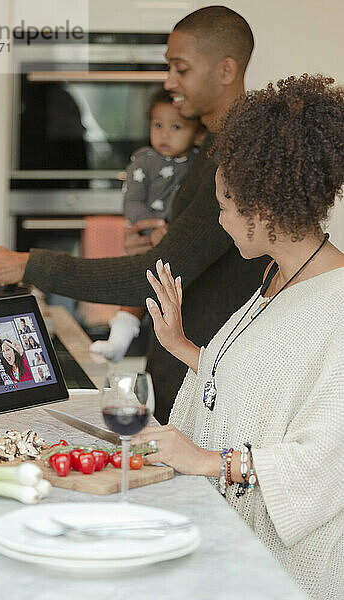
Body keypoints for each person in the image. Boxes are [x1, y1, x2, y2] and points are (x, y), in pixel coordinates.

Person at [0, 6, 269, 424]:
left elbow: (151, 272)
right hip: (185, 377)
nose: (169, 83)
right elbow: (184, 254)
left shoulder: (237, 156)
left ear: (226, 70)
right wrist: (165, 236)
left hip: (209, 391)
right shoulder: (213, 147)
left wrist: (26, 264)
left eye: (181, 69)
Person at [133, 75, 344, 600]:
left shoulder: (338, 305)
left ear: (266, 212)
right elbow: (271, 387)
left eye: (226, 206)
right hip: (235, 547)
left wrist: (207, 460)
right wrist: (184, 347)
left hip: (293, 576)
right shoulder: (277, 276)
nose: (221, 220)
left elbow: (328, 454)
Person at [90, 87, 203, 362]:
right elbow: (132, 204)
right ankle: (118, 340)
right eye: (158, 125)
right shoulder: (144, 161)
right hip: (148, 237)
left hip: (177, 240)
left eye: (176, 127)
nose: (165, 134)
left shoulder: (198, 162)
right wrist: (153, 230)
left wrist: (172, 232)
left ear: (197, 133)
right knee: (138, 286)